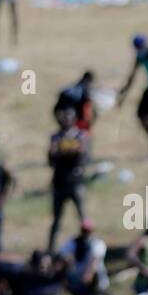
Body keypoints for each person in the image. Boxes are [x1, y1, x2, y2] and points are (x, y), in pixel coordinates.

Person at [48, 106, 90, 250]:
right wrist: (69, 152)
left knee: (82, 217)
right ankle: (51, 248)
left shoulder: (81, 135)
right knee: (56, 220)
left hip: (76, 182)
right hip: (59, 182)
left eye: (69, 117)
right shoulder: (56, 136)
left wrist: (62, 152)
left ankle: (88, 244)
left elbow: (81, 153)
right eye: (64, 117)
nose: (66, 120)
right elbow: (51, 156)